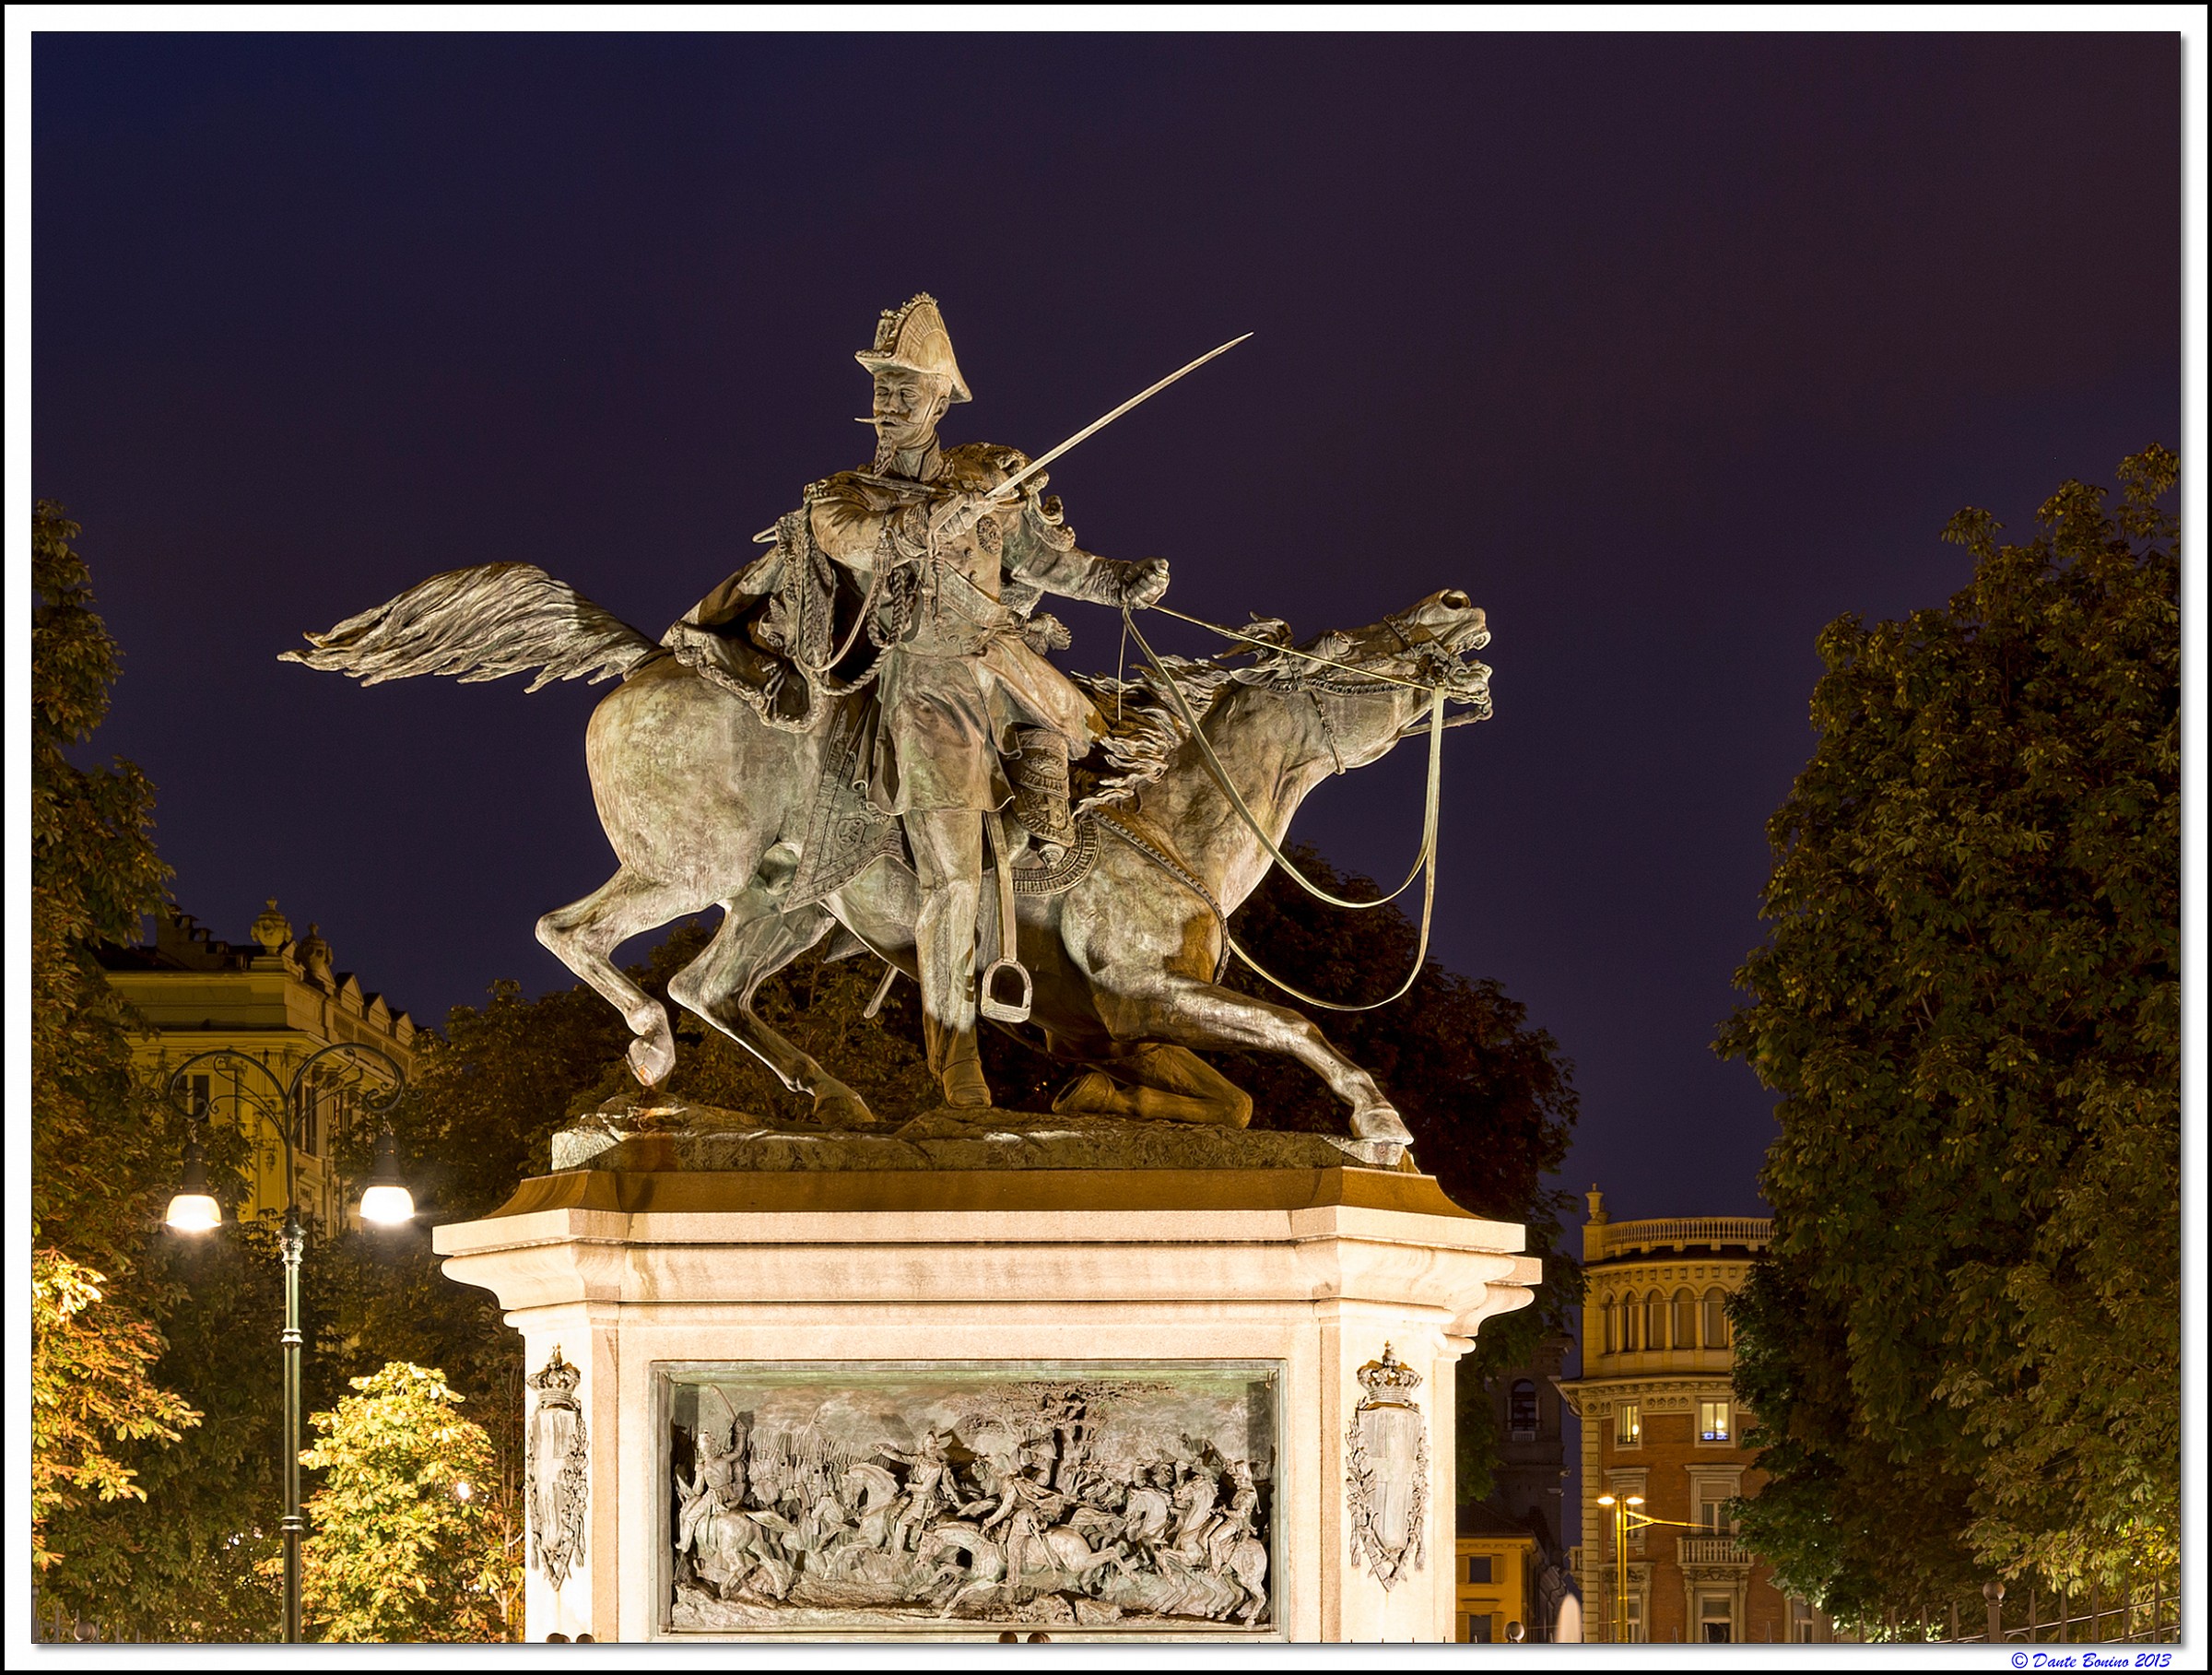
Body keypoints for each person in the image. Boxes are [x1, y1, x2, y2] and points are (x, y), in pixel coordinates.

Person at [664, 295, 1170, 1109]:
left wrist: (1120, 581)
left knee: (1105, 754)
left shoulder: (990, 481)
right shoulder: (841, 492)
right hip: (922, 685)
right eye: (883, 388)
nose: (890, 403)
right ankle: (959, 1066)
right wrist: (927, 520)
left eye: (907, 390)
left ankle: (1052, 908)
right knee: (949, 874)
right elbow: (854, 541)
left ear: (940, 401)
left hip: (1004, 667)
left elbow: (1053, 566)